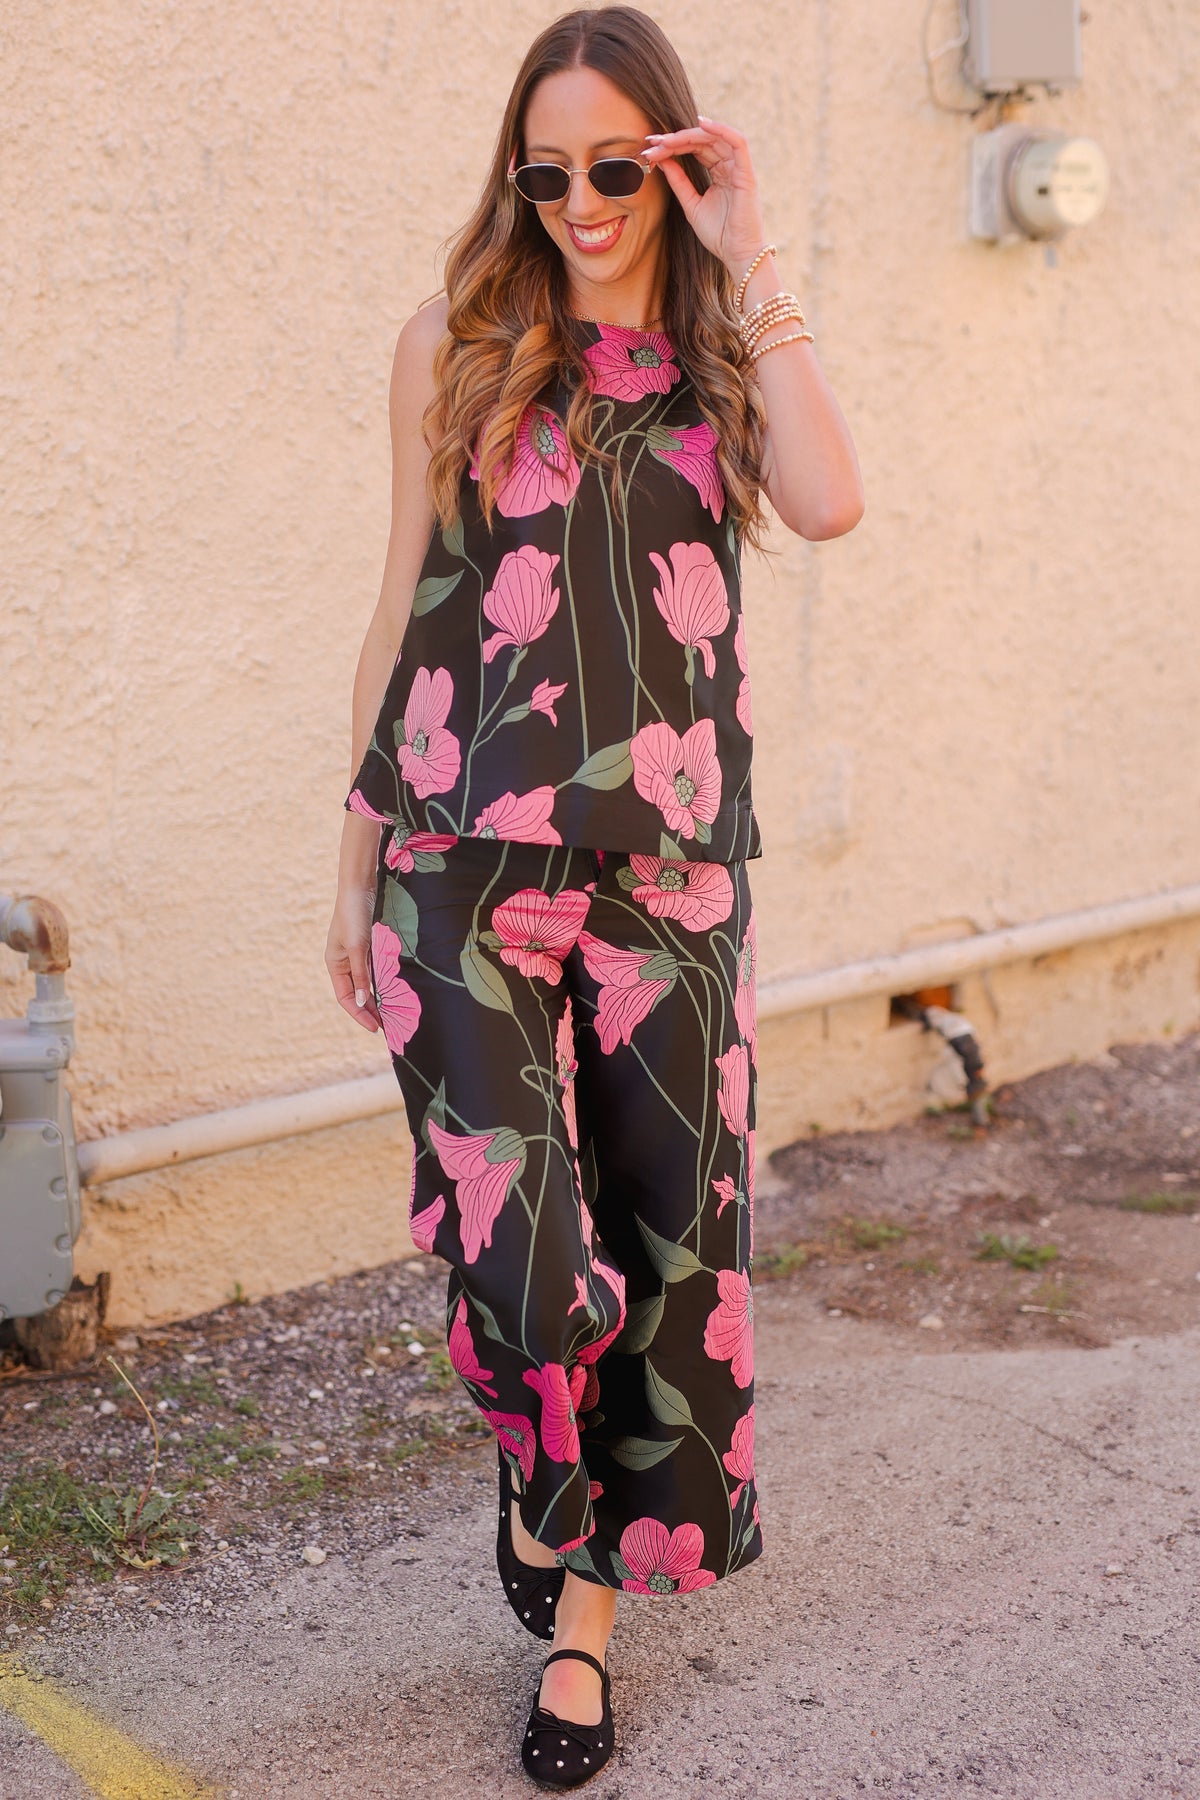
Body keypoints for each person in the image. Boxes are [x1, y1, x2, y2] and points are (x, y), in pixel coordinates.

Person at [325, 5, 863, 1785]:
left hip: (670, 876)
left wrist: (752, 253)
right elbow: (403, 600)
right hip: (458, 856)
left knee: (659, 1236)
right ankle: (533, 1462)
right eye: (545, 171)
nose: (579, 202)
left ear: (671, 160)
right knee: (525, 1248)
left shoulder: (721, 361)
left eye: (614, 167)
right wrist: (348, 861)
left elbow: (834, 501)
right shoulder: (456, 343)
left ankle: (577, 1616)